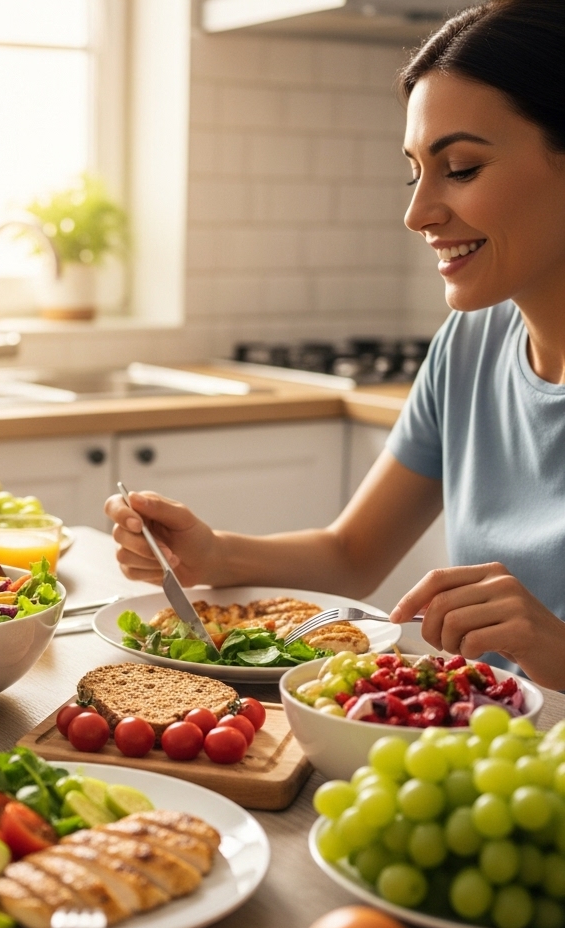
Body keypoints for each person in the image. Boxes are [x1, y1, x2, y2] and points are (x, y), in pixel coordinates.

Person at [105, 0, 565, 691]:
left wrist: (555, 650)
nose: (418, 213)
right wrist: (212, 555)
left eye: (462, 167)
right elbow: (350, 555)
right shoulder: (470, 343)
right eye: (415, 170)